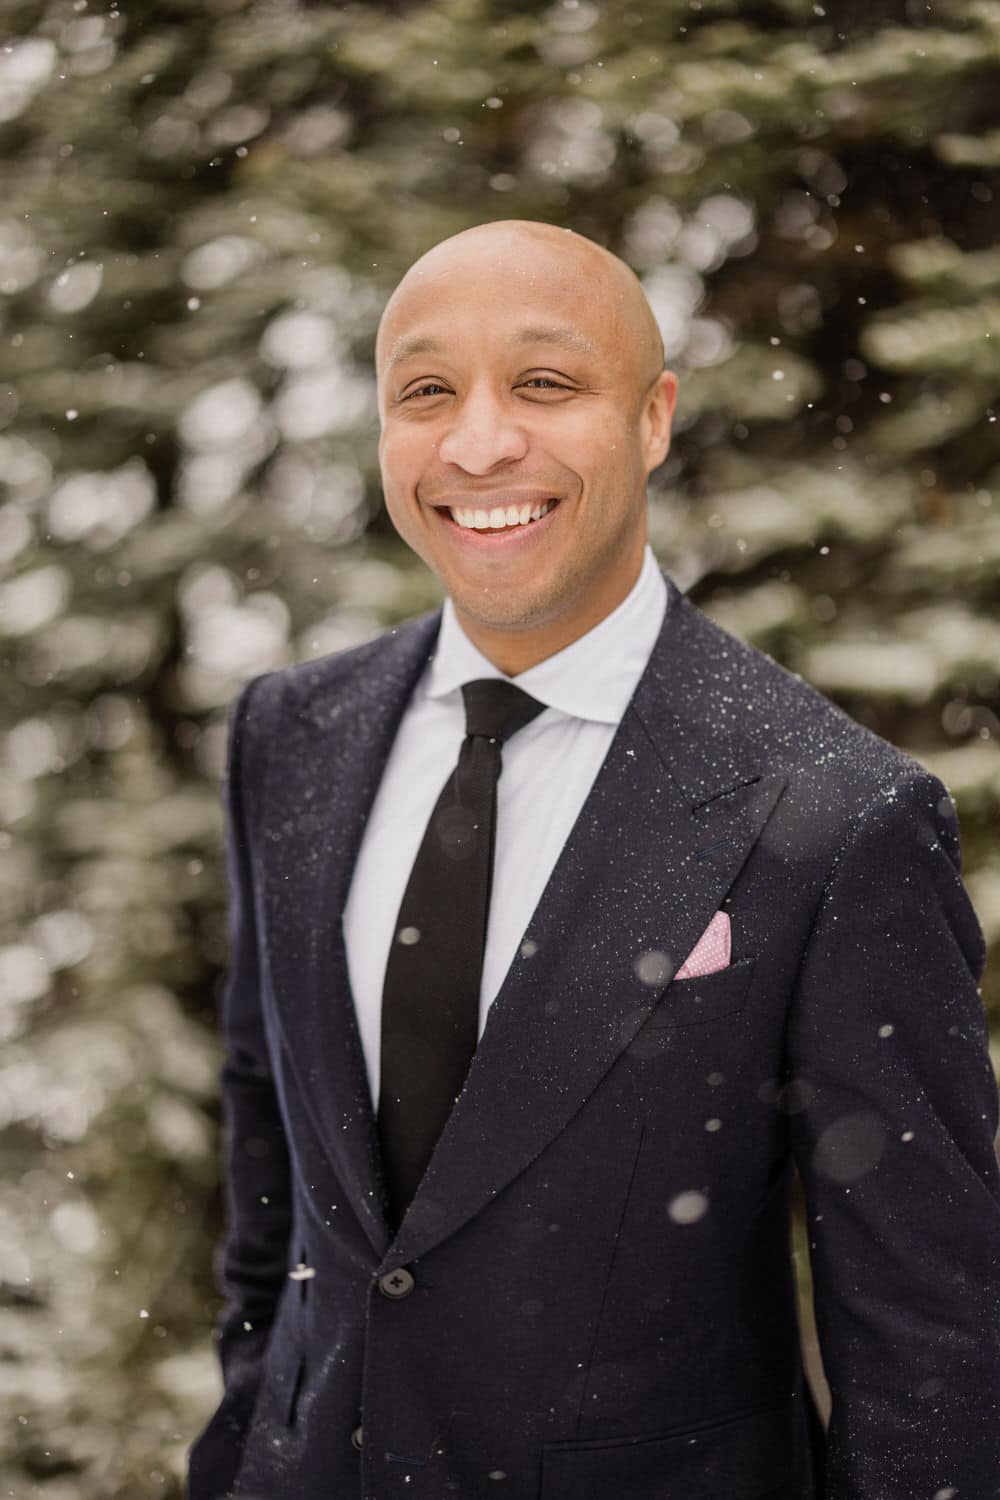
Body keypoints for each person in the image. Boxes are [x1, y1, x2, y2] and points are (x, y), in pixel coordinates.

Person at [186, 220, 1000, 1500]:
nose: (478, 444)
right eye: (426, 392)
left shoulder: (840, 815)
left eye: (546, 384)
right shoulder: (291, 735)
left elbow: (931, 1343)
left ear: (654, 416)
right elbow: (271, 1174)